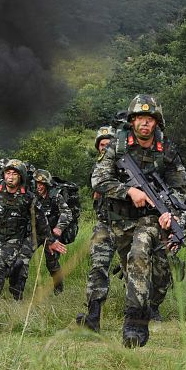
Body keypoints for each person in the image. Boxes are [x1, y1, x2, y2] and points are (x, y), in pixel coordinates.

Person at [92, 95, 186, 348]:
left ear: (156, 123)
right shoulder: (117, 146)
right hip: (119, 220)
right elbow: (98, 180)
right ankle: (139, 311)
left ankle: (134, 325)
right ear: (132, 121)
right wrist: (129, 191)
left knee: (139, 255)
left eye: (149, 119)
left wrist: (172, 213)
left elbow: (179, 188)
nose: (144, 124)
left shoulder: (167, 149)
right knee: (132, 270)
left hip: (150, 218)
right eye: (139, 119)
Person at [0, 159, 67, 303]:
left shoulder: (28, 197)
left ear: (20, 176)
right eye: (7, 173)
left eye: (14, 174)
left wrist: (51, 241)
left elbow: (40, 221)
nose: (10, 177)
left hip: (14, 239)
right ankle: (13, 288)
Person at [77, 126, 117, 331]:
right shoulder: (97, 168)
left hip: (129, 225)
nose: (105, 148)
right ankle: (93, 317)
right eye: (102, 145)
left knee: (136, 270)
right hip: (105, 225)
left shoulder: (126, 165)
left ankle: (145, 313)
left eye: (109, 144)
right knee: (97, 268)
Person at [147, 194, 186, 321]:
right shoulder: (153, 190)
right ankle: (137, 305)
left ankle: (153, 307)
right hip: (151, 233)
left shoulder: (181, 196)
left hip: (172, 238)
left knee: (163, 272)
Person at [32, 168, 77, 295]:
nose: (39, 187)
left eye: (41, 184)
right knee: (22, 258)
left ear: (46, 185)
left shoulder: (56, 196)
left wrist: (59, 227)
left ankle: (58, 289)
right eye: (37, 184)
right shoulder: (32, 196)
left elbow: (67, 213)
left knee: (51, 263)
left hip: (51, 234)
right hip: (36, 232)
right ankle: (17, 291)